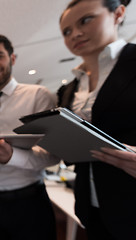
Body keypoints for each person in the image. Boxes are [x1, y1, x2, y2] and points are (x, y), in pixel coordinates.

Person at [57, 0, 136, 238]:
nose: (75, 34)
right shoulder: (69, 90)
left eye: (86, 20)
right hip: (91, 206)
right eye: (67, 31)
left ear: (118, 13)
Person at [0, 33, 60, 240]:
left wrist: (11, 156)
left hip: (28, 203)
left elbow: (54, 155)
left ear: (12, 58)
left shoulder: (39, 96)